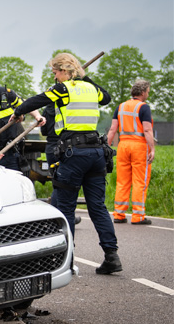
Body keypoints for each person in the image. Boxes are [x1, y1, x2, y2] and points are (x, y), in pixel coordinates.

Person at [11, 52, 121, 275]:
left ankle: (67, 259)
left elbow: (35, 101)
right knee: (98, 207)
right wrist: (85, 78)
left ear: (63, 71)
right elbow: (106, 98)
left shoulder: (63, 89)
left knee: (67, 208)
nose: (54, 76)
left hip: (74, 155)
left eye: (55, 72)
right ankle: (112, 256)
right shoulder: (91, 88)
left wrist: (18, 112)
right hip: (96, 153)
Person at [106, 79, 155, 225]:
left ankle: (119, 214)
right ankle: (138, 216)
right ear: (142, 92)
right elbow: (147, 129)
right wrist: (152, 148)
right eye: (147, 91)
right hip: (139, 146)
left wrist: (107, 147)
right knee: (139, 181)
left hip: (123, 146)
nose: (148, 93)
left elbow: (113, 129)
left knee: (123, 181)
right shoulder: (143, 107)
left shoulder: (120, 107)